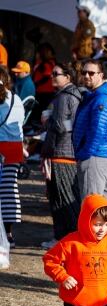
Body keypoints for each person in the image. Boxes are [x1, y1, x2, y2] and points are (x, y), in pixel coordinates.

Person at [40, 63, 82, 249]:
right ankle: (63, 238)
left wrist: (48, 121)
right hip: (65, 152)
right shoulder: (69, 95)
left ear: (68, 77)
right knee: (62, 198)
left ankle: (68, 238)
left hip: (62, 153)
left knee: (63, 199)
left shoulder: (66, 97)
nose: (52, 76)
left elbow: (64, 125)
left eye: (56, 74)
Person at [72, 60, 107, 202]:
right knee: (104, 202)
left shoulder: (101, 99)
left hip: (94, 156)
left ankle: (92, 226)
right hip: (98, 155)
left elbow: (98, 130)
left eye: (91, 73)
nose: (86, 76)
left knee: (91, 203)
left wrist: (86, 153)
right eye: (84, 72)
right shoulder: (94, 96)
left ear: (101, 75)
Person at [0, 66, 25, 247]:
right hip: (15, 148)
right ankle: (8, 232)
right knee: (9, 190)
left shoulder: (2, 100)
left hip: (1, 147)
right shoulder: (17, 99)